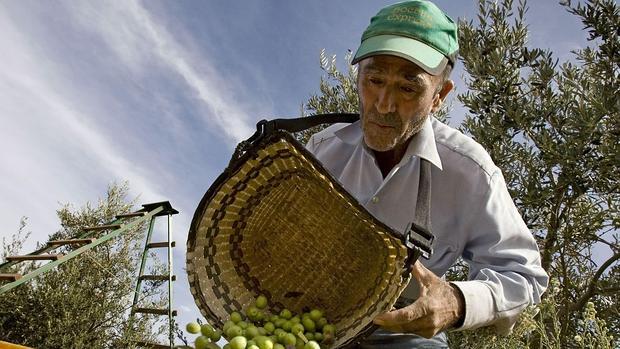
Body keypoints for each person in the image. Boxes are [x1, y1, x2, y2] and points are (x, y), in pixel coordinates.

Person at [305, 1, 549, 348]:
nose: (384, 104)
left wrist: (456, 302)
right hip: (311, 321)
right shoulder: (321, 150)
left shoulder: (471, 173)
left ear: (439, 96)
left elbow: (523, 275)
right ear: (358, 75)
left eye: (408, 88)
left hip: (399, 331)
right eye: (374, 80)